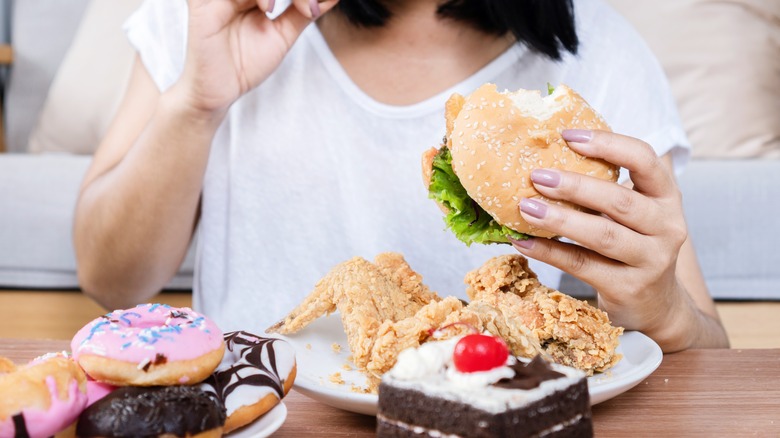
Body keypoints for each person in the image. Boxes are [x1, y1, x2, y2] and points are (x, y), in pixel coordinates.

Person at [73, 0, 729, 351]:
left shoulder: (600, 51)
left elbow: (706, 346)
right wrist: (195, 104)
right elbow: (110, 280)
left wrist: (664, 310)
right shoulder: (204, 15)